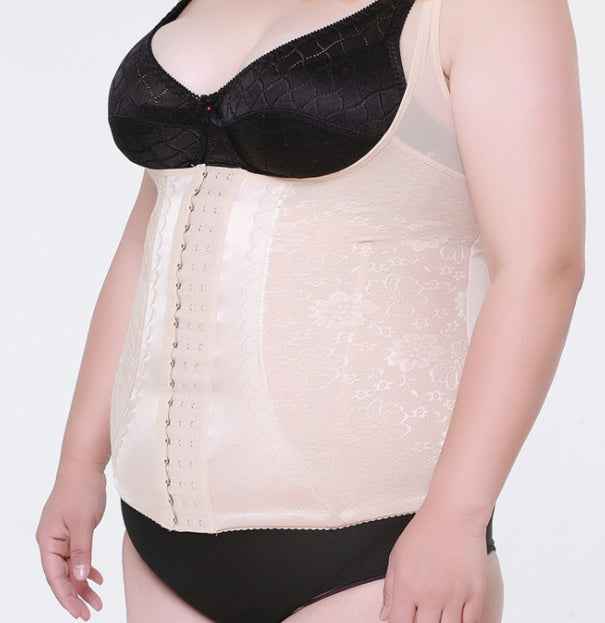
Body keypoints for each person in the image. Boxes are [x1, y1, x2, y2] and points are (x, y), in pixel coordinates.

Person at [36, 0, 585, 621]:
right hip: (157, 539)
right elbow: (148, 237)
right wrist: (80, 462)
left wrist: (458, 515)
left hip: (379, 549)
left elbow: (542, 268)